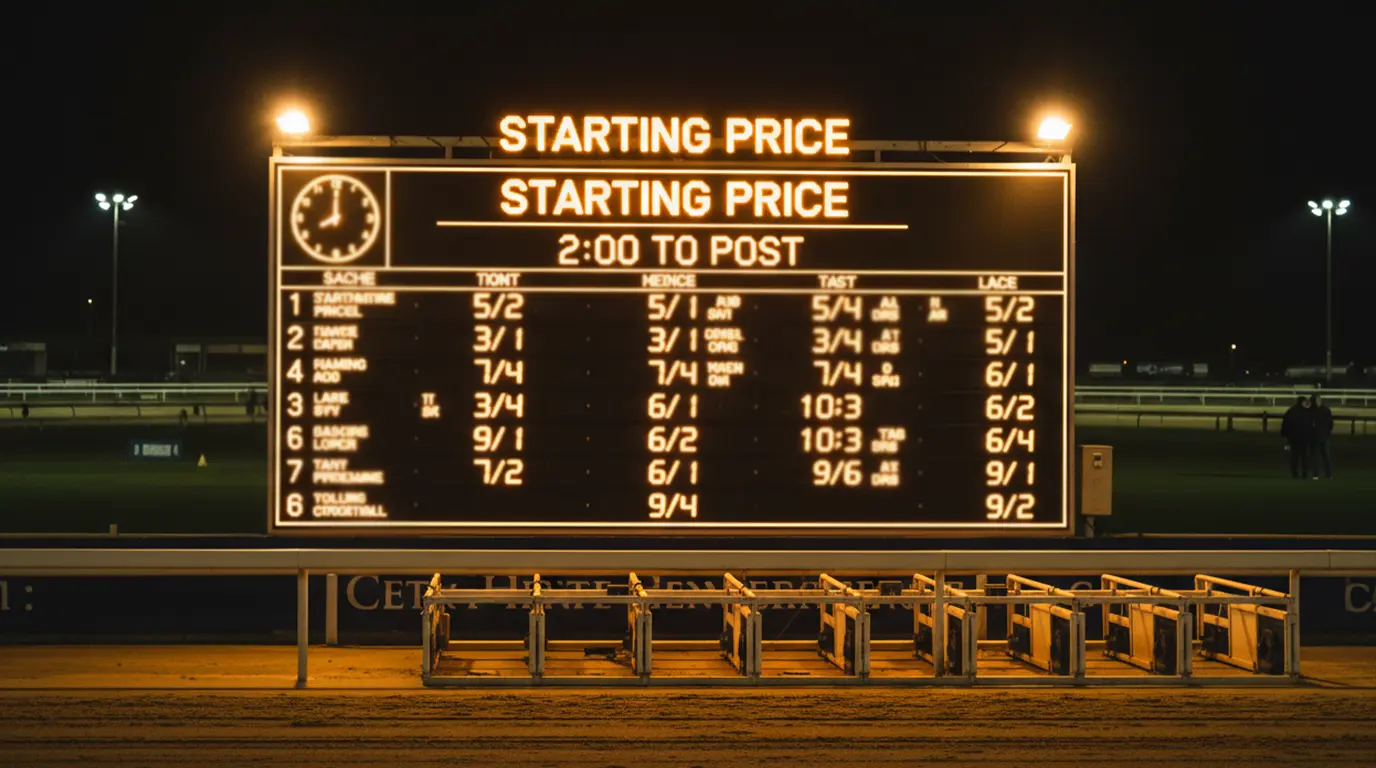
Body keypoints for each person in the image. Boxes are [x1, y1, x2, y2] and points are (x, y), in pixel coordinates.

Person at [1280, 396, 1311, 479]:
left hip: (1294, 438)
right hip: (1304, 437)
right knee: (1304, 457)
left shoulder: (1291, 411)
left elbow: (1285, 424)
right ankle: (1304, 474)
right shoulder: (1306, 412)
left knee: (1294, 457)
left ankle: (1295, 474)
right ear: (1302, 402)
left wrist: (1285, 435)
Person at [1310, 394, 1334, 479]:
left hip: (1322, 436)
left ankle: (1328, 474)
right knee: (1317, 457)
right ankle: (1318, 474)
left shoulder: (1323, 410)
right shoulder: (1321, 410)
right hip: (1317, 437)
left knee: (1325, 456)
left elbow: (1330, 423)